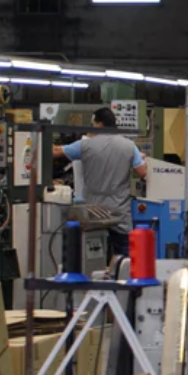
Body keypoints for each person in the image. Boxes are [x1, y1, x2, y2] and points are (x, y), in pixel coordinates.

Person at [52, 107, 147, 261]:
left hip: (94, 212)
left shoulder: (85, 145)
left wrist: (30, 146)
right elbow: (143, 172)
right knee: (124, 260)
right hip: (120, 211)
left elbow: (56, 151)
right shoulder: (129, 146)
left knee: (94, 258)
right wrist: (142, 159)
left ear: (99, 124)